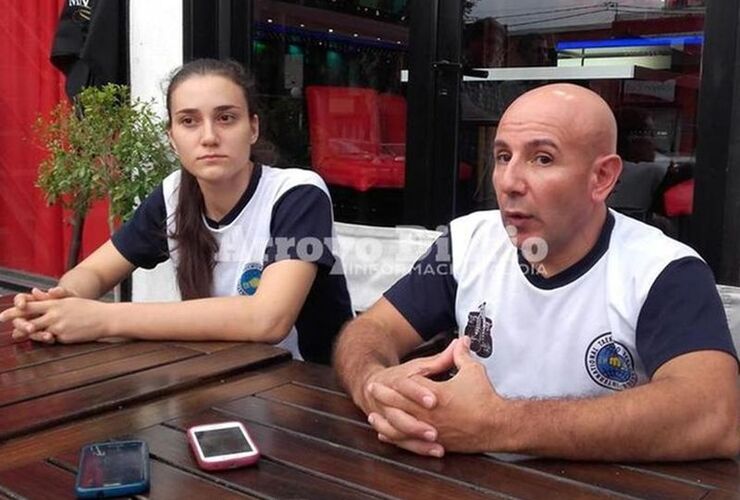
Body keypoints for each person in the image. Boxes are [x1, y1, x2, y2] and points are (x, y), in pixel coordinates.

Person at [334, 83, 739, 460]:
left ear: (602, 178)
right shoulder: (469, 240)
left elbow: (714, 412)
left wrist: (496, 425)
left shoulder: (663, 270)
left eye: (542, 158)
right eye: (503, 156)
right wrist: (374, 385)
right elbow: (372, 330)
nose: (509, 182)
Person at [0, 59, 352, 364]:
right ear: (172, 137)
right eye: (189, 121)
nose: (209, 136)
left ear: (253, 128)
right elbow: (93, 271)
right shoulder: (173, 195)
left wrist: (104, 318)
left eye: (226, 118)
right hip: (218, 374)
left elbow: (268, 319)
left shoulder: (296, 193)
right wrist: (59, 304)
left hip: (309, 387)